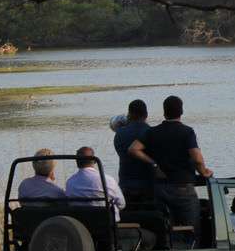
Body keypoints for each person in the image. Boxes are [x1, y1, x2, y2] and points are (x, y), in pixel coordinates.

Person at [128, 95, 212, 242]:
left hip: (160, 187)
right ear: (181, 111)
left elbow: (133, 149)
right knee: (191, 228)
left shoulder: (152, 132)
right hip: (183, 187)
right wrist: (204, 172)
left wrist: (154, 163)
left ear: (164, 112)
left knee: (166, 227)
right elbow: (197, 158)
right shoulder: (187, 132)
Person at [113, 99, 156, 204]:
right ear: (146, 115)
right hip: (148, 185)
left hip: (125, 185)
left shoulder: (119, 134)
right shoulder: (152, 132)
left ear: (129, 115)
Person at [66, 146, 126, 220]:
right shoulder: (108, 180)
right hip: (107, 224)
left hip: (81, 223)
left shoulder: (70, 182)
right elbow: (121, 204)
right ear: (94, 161)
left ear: (77, 162)